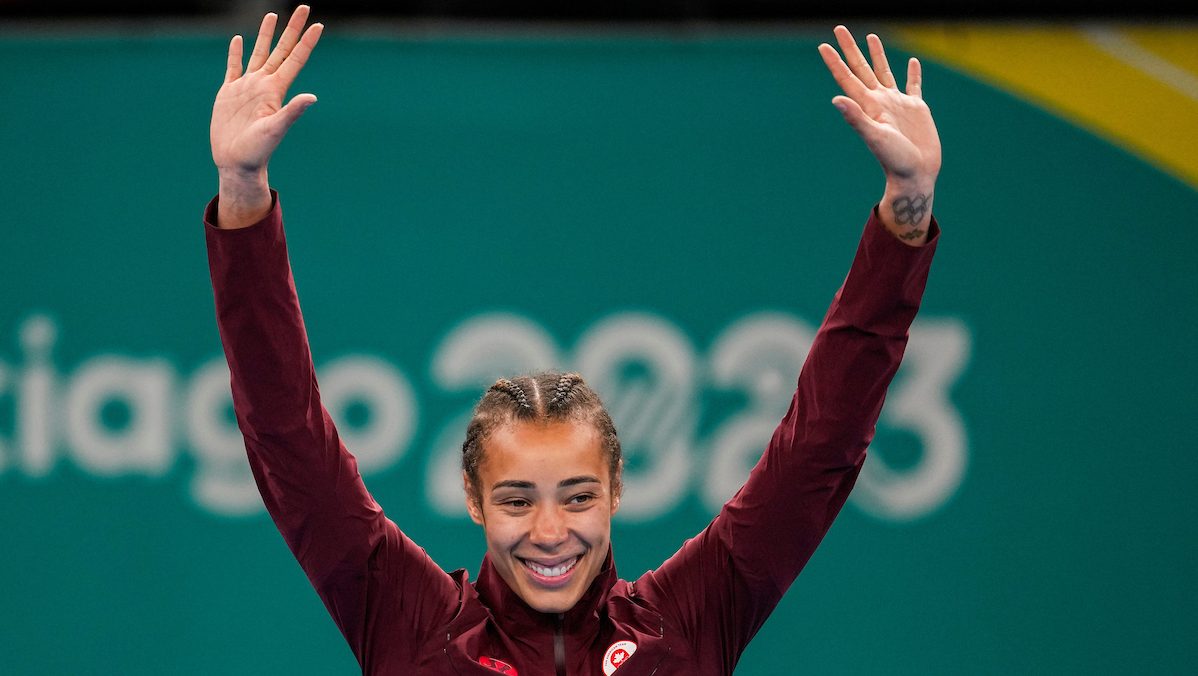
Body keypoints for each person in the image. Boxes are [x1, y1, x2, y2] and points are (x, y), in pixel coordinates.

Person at [204, 5, 941, 675]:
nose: (551, 532)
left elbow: (823, 444)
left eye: (578, 495)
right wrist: (243, 190)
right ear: (473, 498)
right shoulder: (409, 622)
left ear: (617, 490)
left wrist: (907, 211)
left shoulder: (691, 619)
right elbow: (285, 435)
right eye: (518, 499)